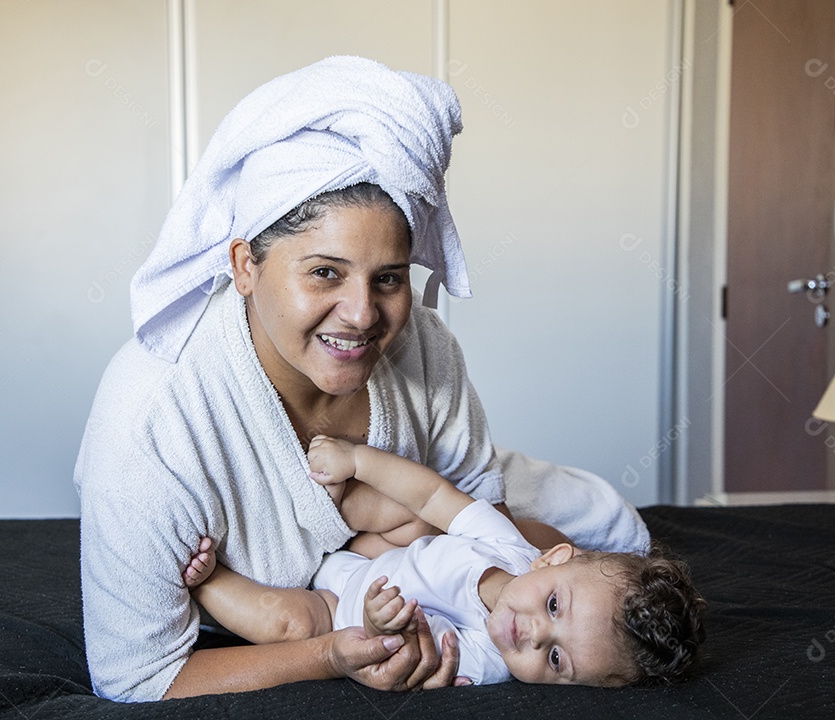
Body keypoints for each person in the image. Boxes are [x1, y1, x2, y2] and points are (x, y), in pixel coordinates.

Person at [74, 56, 576, 702]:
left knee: (573, 540)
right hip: (308, 619)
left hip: (399, 580)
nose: (364, 315)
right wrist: (330, 655)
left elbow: (485, 532)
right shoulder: (155, 417)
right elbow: (138, 679)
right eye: (325, 273)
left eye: (388, 278)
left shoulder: (427, 352)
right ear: (244, 265)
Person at [183, 435, 705, 687]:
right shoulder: (510, 549)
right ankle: (322, 507)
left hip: (341, 608)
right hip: (376, 555)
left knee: (287, 621)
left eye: (554, 661)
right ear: (551, 560)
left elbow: (402, 650)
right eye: (551, 605)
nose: (532, 634)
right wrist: (358, 460)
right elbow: (436, 496)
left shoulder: (485, 660)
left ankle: (209, 580)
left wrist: (375, 624)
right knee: (413, 518)